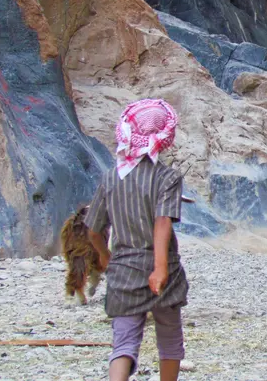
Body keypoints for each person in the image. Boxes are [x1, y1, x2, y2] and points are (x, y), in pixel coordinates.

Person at [85, 98, 189, 381]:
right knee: (169, 338)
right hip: (164, 273)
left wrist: (105, 257)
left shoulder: (109, 179)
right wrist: (160, 267)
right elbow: (162, 220)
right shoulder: (167, 178)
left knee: (124, 344)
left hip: (123, 272)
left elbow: (93, 229)